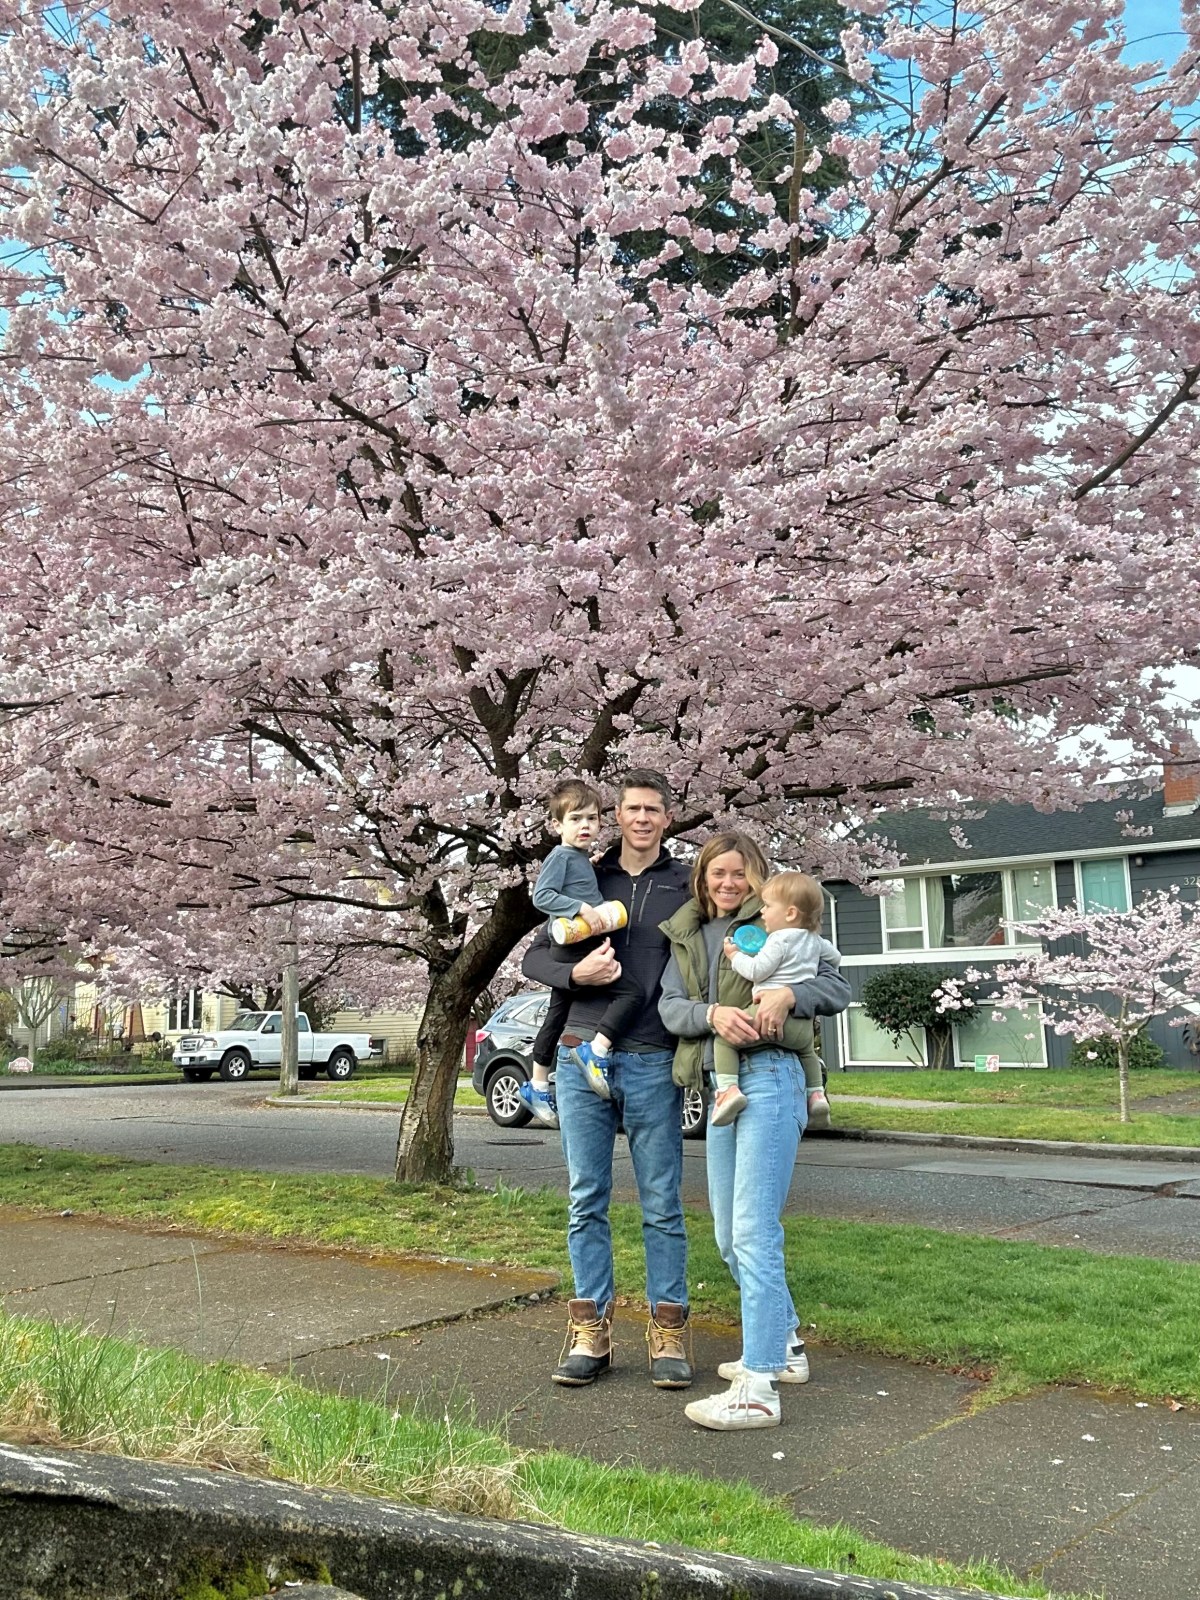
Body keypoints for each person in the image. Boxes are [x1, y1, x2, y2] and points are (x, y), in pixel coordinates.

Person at [659, 832, 850, 1431]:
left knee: (753, 1231)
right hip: (723, 1086)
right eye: (718, 872)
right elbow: (669, 1007)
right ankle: (787, 1346)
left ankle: (759, 1386)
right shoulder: (685, 934)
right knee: (727, 1235)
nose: (729, 883)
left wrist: (792, 992)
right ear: (702, 878)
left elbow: (839, 987)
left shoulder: (780, 922)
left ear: (756, 878)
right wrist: (712, 1014)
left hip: (770, 1075)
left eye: (740, 873)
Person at [521, 770, 695, 1388]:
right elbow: (535, 956)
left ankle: (669, 1329)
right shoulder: (587, 877)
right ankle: (590, 1328)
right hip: (577, 1055)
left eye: (653, 809)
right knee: (585, 1199)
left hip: (652, 1056)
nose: (641, 818)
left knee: (662, 1206)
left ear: (667, 818)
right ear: (614, 815)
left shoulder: (687, 885)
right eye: (631, 809)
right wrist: (575, 979)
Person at [519, 779, 645, 1128]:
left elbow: (578, 880)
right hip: (575, 946)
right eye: (575, 819)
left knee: (557, 1015)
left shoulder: (576, 858)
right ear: (557, 825)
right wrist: (579, 908)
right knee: (631, 992)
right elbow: (541, 897)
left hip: (572, 946)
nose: (585, 825)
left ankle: (538, 1084)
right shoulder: (560, 856)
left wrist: (593, 865)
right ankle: (596, 1049)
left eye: (592, 819)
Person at [713, 870, 839, 1129]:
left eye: (768, 906)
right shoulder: (815, 941)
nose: (762, 913)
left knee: (724, 1040)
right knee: (807, 1052)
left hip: (765, 1016)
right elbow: (836, 959)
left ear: (790, 913)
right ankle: (816, 1095)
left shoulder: (778, 940)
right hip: (800, 1024)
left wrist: (734, 955)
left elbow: (757, 970)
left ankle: (728, 1091)